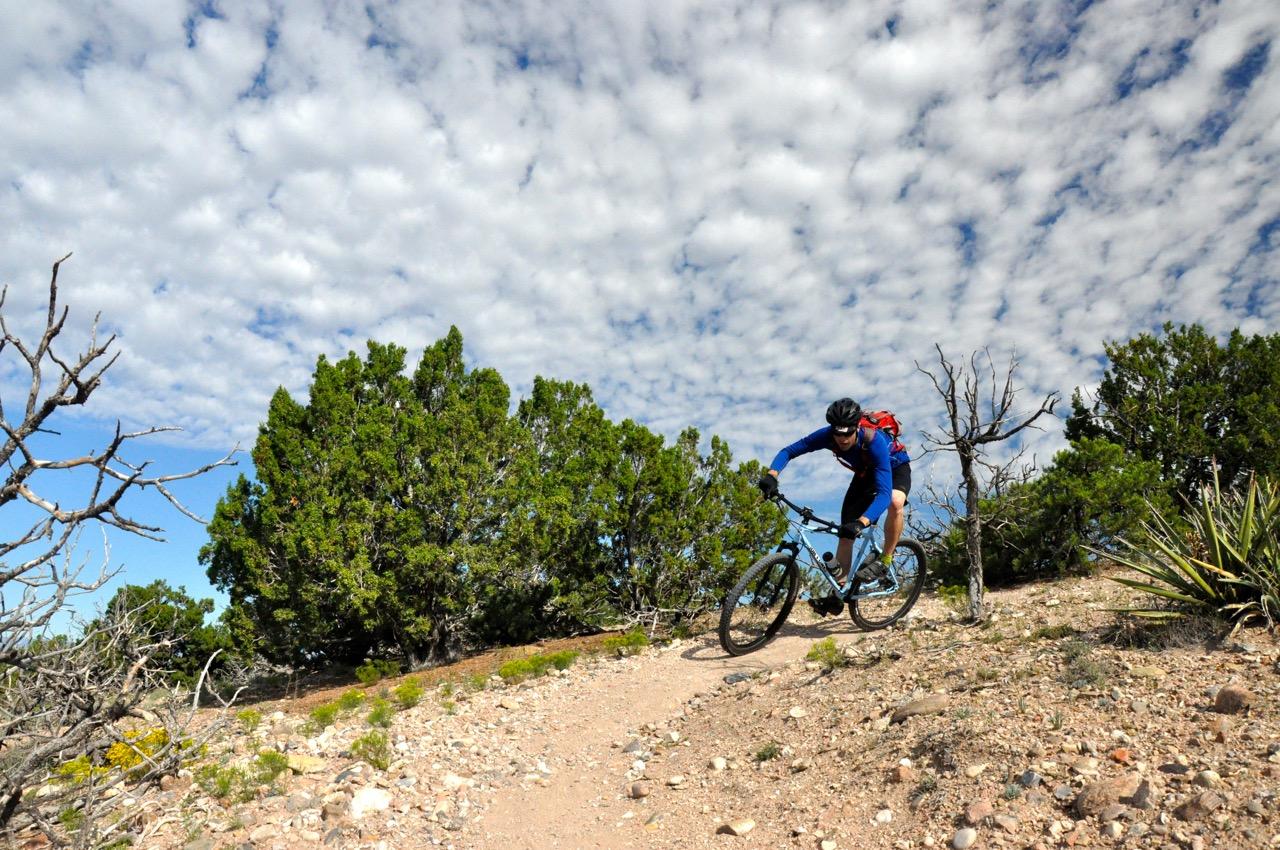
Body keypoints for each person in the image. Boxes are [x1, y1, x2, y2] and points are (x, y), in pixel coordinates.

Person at [757, 397, 911, 612]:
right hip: (864, 474)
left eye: (848, 433)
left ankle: (885, 559)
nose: (843, 438)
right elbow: (789, 451)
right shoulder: (827, 436)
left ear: (857, 427)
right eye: (838, 434)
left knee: (895, 502)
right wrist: (772, 475)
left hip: (894, 467)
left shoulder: (873, 441)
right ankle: (836, 595)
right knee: (845, 535)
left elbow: (884, 494)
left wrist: (862, 522)